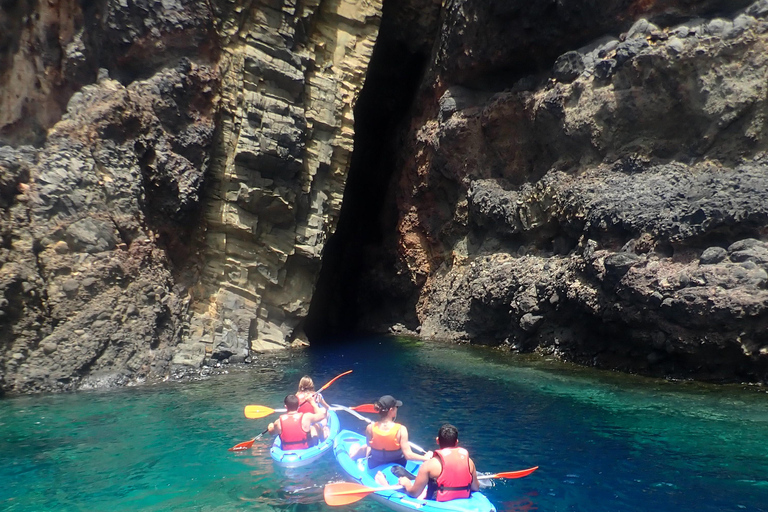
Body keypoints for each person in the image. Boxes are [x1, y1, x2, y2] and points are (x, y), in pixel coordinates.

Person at [397, 424, 479, 501]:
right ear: (456, 442)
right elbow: (475, 487)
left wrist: (407, 484)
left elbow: (414, 493)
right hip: (463, 500)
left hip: (438, 503)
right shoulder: (469, 462)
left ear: (437, 440)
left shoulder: (429, 465)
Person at [349, 395, 431, 468]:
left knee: (363, 446)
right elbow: (408, 455)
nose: (397, 410)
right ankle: (354, 453)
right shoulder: (401, 429)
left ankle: (352, 455)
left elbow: (369, 447)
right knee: (364, 447)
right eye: (396, 408)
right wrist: (426, 458)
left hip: (375, 463)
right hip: (397, 465)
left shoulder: (370, 428)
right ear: (391, 410)